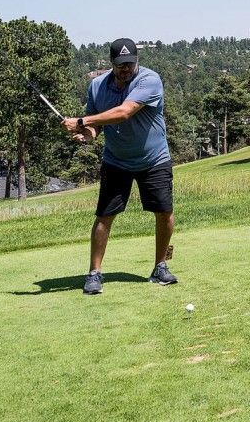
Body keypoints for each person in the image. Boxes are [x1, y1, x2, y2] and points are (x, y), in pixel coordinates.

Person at [64, 37, 177, 295]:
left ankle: (161, 266)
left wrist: (81, 120)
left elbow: (124, 112)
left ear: (137, 61)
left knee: (164, 212)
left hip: (154, 159)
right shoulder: (97, 87)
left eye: (130, 63)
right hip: (116, 160)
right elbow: (96, 129)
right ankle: (94, 273)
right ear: (111, 63)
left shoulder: (149, 80)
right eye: (120, 65)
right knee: (104, 216)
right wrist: (86, 134)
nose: (126, 69)